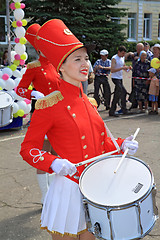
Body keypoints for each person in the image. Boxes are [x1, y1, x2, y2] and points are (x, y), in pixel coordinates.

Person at [20, 19, 138, 240]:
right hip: (68, 190)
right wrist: (52, 162)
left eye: (86, 58)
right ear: (61, 67)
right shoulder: (49, 105)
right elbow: (28, 148)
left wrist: (122, 144)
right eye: (77, 59)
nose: (85, 64)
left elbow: (103, 143)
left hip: (95, 185)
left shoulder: (90, 103)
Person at [16, 23, 60, 205]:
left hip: (59, 115)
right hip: (42, 114)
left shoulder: (58, 65)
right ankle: (45, 195)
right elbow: (20, 89)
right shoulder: (34, 66)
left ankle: (55, 193)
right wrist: (32, 93)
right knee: (43, 155)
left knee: (58, 155)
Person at [109, 46, 132, 117]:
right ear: (118, 51)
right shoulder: (114, 58)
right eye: (122, 53)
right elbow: (112, 70)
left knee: (119, 93)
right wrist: (122, 68)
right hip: (115, 78)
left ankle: (118, 110)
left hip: (120, 78)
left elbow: (124, 66)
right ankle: (115, 110)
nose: (123, 55)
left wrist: (128, 68)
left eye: (124, 53)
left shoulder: (122, 58)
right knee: (121, 92)